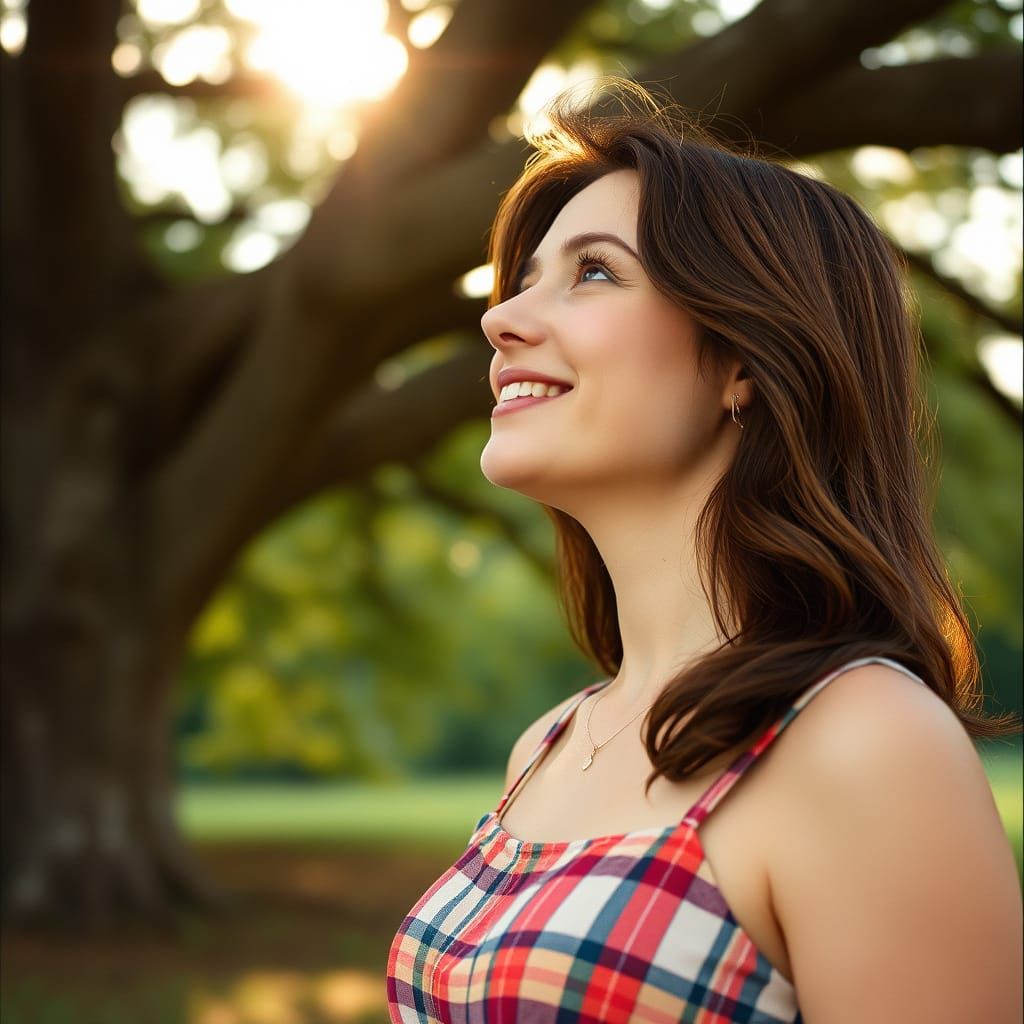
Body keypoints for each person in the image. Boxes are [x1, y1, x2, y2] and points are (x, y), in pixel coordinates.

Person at [386, 81, 1022, 1023]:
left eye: (593, 273)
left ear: (743, 364)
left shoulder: (866, 746)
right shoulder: (549, 744)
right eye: (523, 281)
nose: (501, 320)